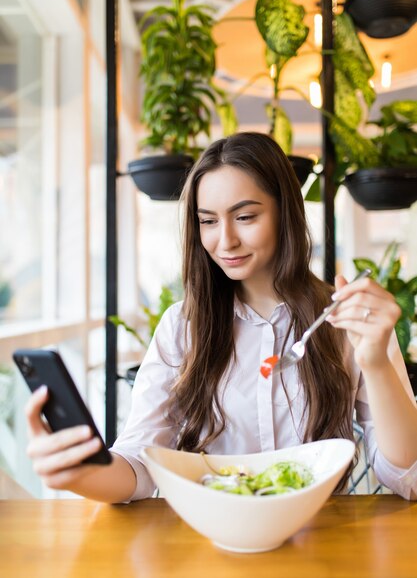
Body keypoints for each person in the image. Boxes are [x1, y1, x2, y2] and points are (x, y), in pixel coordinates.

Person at [25, 132, 417, 502]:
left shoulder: (347, 322)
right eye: (208, 221)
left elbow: (406, 476)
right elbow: (140, 464)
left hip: (321, 541)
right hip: (212, 539)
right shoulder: (183, 327)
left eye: (245, 217)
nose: (224, 240)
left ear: (286, 213)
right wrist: (80, 473)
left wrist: (377, 363)